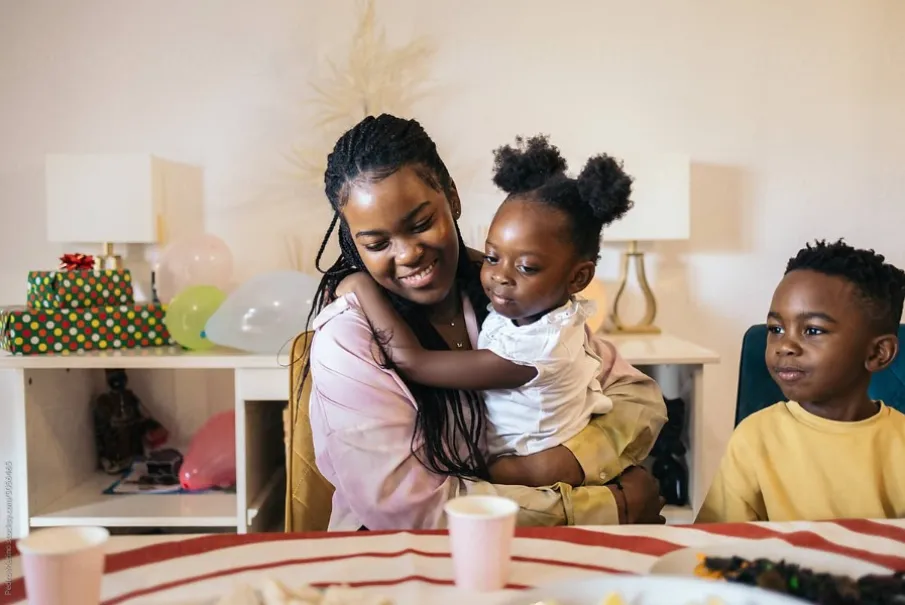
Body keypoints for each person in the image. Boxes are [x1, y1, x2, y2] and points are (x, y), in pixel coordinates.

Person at [301, 113, 667, 531]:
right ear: (353, 241)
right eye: (377, 243)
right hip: (402, 561)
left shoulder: (507, 292)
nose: (406, 254)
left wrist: (564, 463)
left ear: (452, 198)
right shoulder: (348, 335)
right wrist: (601, 508)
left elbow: (636, 397)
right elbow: (407, 507)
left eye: (421, 224)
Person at [335, 134, 634, 488]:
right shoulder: (538, 307)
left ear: (578, 277)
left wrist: (362, 287)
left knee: (475, 475)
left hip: (527, 468)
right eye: (492, 257)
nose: (499, 276)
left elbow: (414, 362)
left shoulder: (539, 341)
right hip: (420, 524)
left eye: (527, 267)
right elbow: (401, 497)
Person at [696, 239, 905, 523]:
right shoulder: (755, 438)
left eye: (813, 330)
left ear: (878, 353)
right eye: (776, 328)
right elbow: (717, 544)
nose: (785, 345)